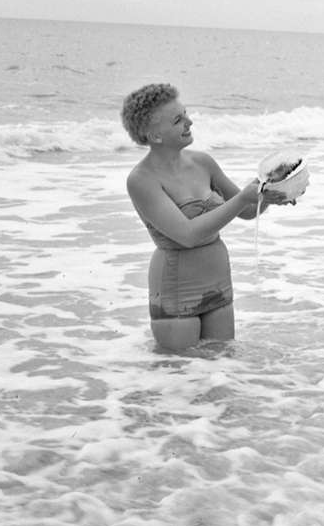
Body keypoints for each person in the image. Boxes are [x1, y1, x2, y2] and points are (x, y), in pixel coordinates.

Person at [121, 83, 289, 349]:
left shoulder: (203, 162)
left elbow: (246, 211)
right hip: (178, 287)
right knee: (182, 380)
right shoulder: (141, 180)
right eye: (178, 120)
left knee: (220, 372)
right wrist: (246, 196)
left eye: (185, 113)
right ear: (154, 136)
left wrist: (269, 189)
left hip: (218, 282)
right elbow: (187, 235)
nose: (189, 122)